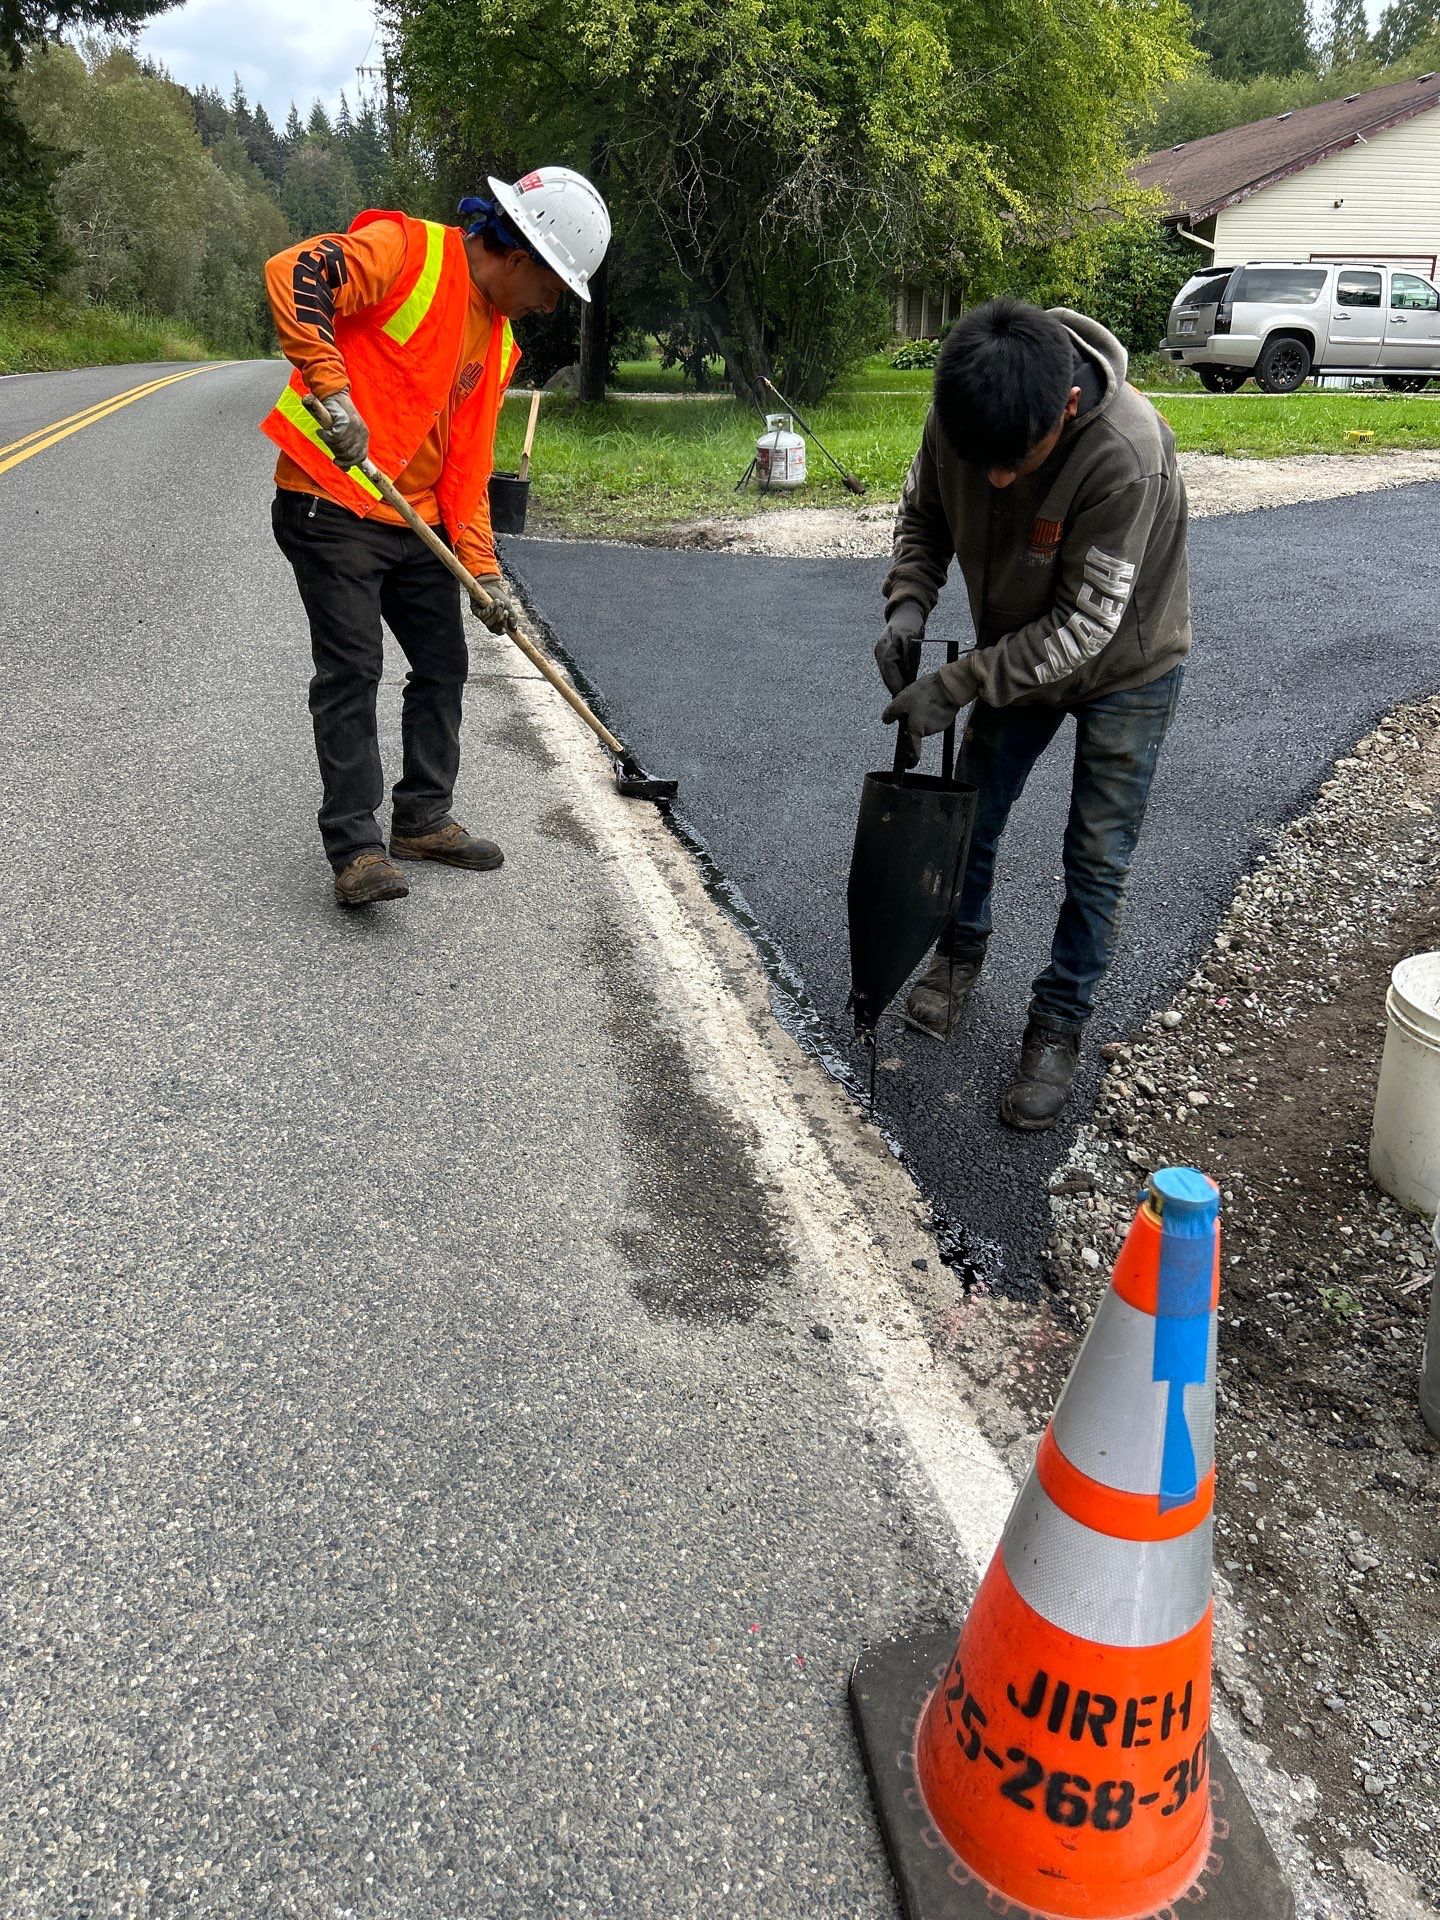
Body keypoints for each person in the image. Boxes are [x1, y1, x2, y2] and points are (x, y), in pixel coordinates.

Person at [878, 298, 1190, 1130]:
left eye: (1016, 463)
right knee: (972, 814)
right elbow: (925, 512)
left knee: (1096, 852)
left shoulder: (1128, 452)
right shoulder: (967, 414)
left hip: (1127, 663)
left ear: (1070, 408)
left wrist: (958, 682)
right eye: (983, 463)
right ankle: (958, 953)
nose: (999, 481)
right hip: (1017, 642)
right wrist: (909, 601)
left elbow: (1088, 629)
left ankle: (1058, 1024)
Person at [262, 168, 610, 906]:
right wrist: (330, 388)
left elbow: (467, 469)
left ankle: (421, 817)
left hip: (411, 517)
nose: (551, 305)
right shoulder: (405, 250)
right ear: (519, 258)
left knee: (444, 662)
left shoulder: (499, 339)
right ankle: (356, 850)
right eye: (552, 287)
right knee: (353, 669)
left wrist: (481, 574)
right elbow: (293, 270)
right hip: (330, 501)